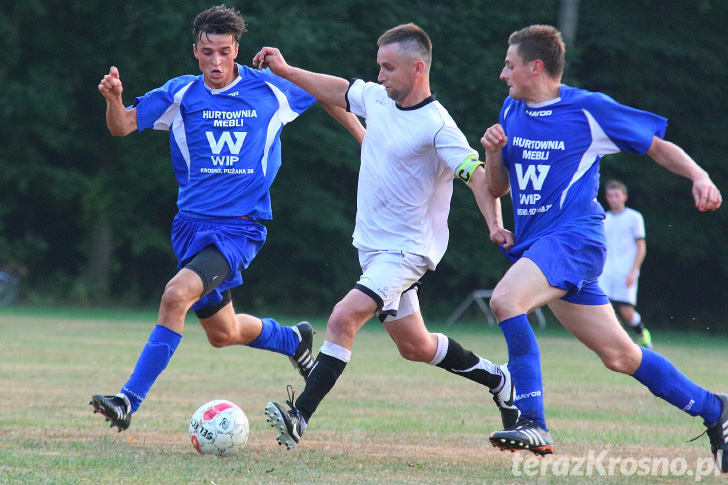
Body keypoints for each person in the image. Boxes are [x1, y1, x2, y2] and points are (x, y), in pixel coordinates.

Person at [89, 5, 365, 432]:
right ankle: (292, 339)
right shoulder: (180, 95)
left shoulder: (272, 89)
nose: (216, 62)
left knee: (175, 294)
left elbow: (331, 95)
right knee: (223, 332)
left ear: (236, 50)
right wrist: (113, 101)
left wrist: (367, 143)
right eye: (207, 52)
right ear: (195, 52)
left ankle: (128, 399)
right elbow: (122, 126)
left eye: (224, 51)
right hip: (189, 228)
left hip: (239, 228)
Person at [252, 23, 519, 450]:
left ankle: (299, 415)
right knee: (415, 346)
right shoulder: (378, 99)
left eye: (388, 68)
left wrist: (493, 223)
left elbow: (478, 176)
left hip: (407, 252)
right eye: (378, 67)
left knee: (343, 318)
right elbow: (338, 90)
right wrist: (285, 69)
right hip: (373, 250)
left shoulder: (437, 126)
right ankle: (499, 378)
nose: (379, 77)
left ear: (418, 68)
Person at [480, 23, 727, 471]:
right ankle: (716, 410)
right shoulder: (511, 109)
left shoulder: (587, 109)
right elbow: (498, 187)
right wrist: (494, 152)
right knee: (620, 355)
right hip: (543, 245)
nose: (503, 74)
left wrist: (699, 176)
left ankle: (533, 420)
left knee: (504, 300)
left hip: (574, 239)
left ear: (536, 67)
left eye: (510, 65)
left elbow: (656, 147)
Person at [599, 180, 652, 349]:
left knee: (626, 312)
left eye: (617, 195)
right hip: (606, 271)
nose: (613, 199)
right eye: (610, 196)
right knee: (603, 309)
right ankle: (609, 344)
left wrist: (633, 270)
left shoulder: (634, 218)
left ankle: (642, 334)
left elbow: (641, 246)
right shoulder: (603, 219)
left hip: (626, 271)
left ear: (624, 197)